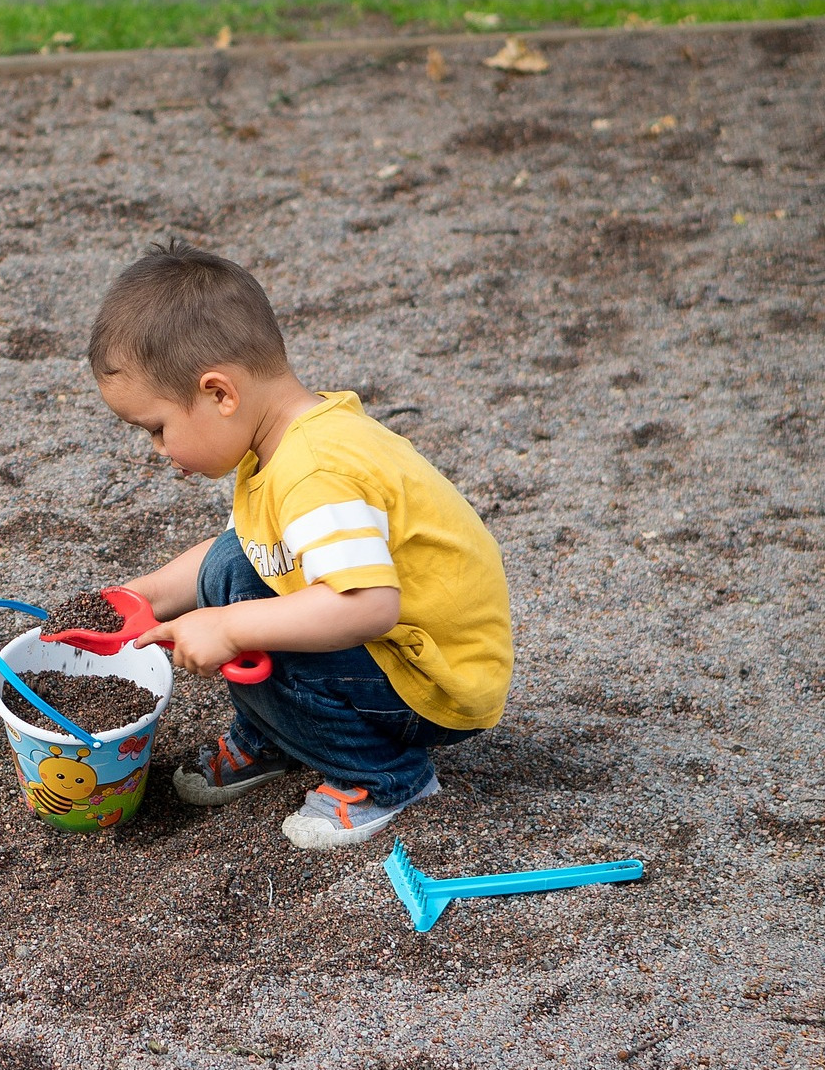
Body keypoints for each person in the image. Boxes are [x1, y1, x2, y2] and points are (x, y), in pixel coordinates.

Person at [87, 241, 511, 849]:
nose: (158, 449)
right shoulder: (286, 439)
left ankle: (386, 777)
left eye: (158, 428)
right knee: (234, 569)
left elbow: (366, 605)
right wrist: (140, 596)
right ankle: (278, 736)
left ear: (219, 393)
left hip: (433, 682)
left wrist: (231, 627)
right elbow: (238, 553)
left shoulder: (316, 472)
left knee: (252, 620)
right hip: (396, 651)